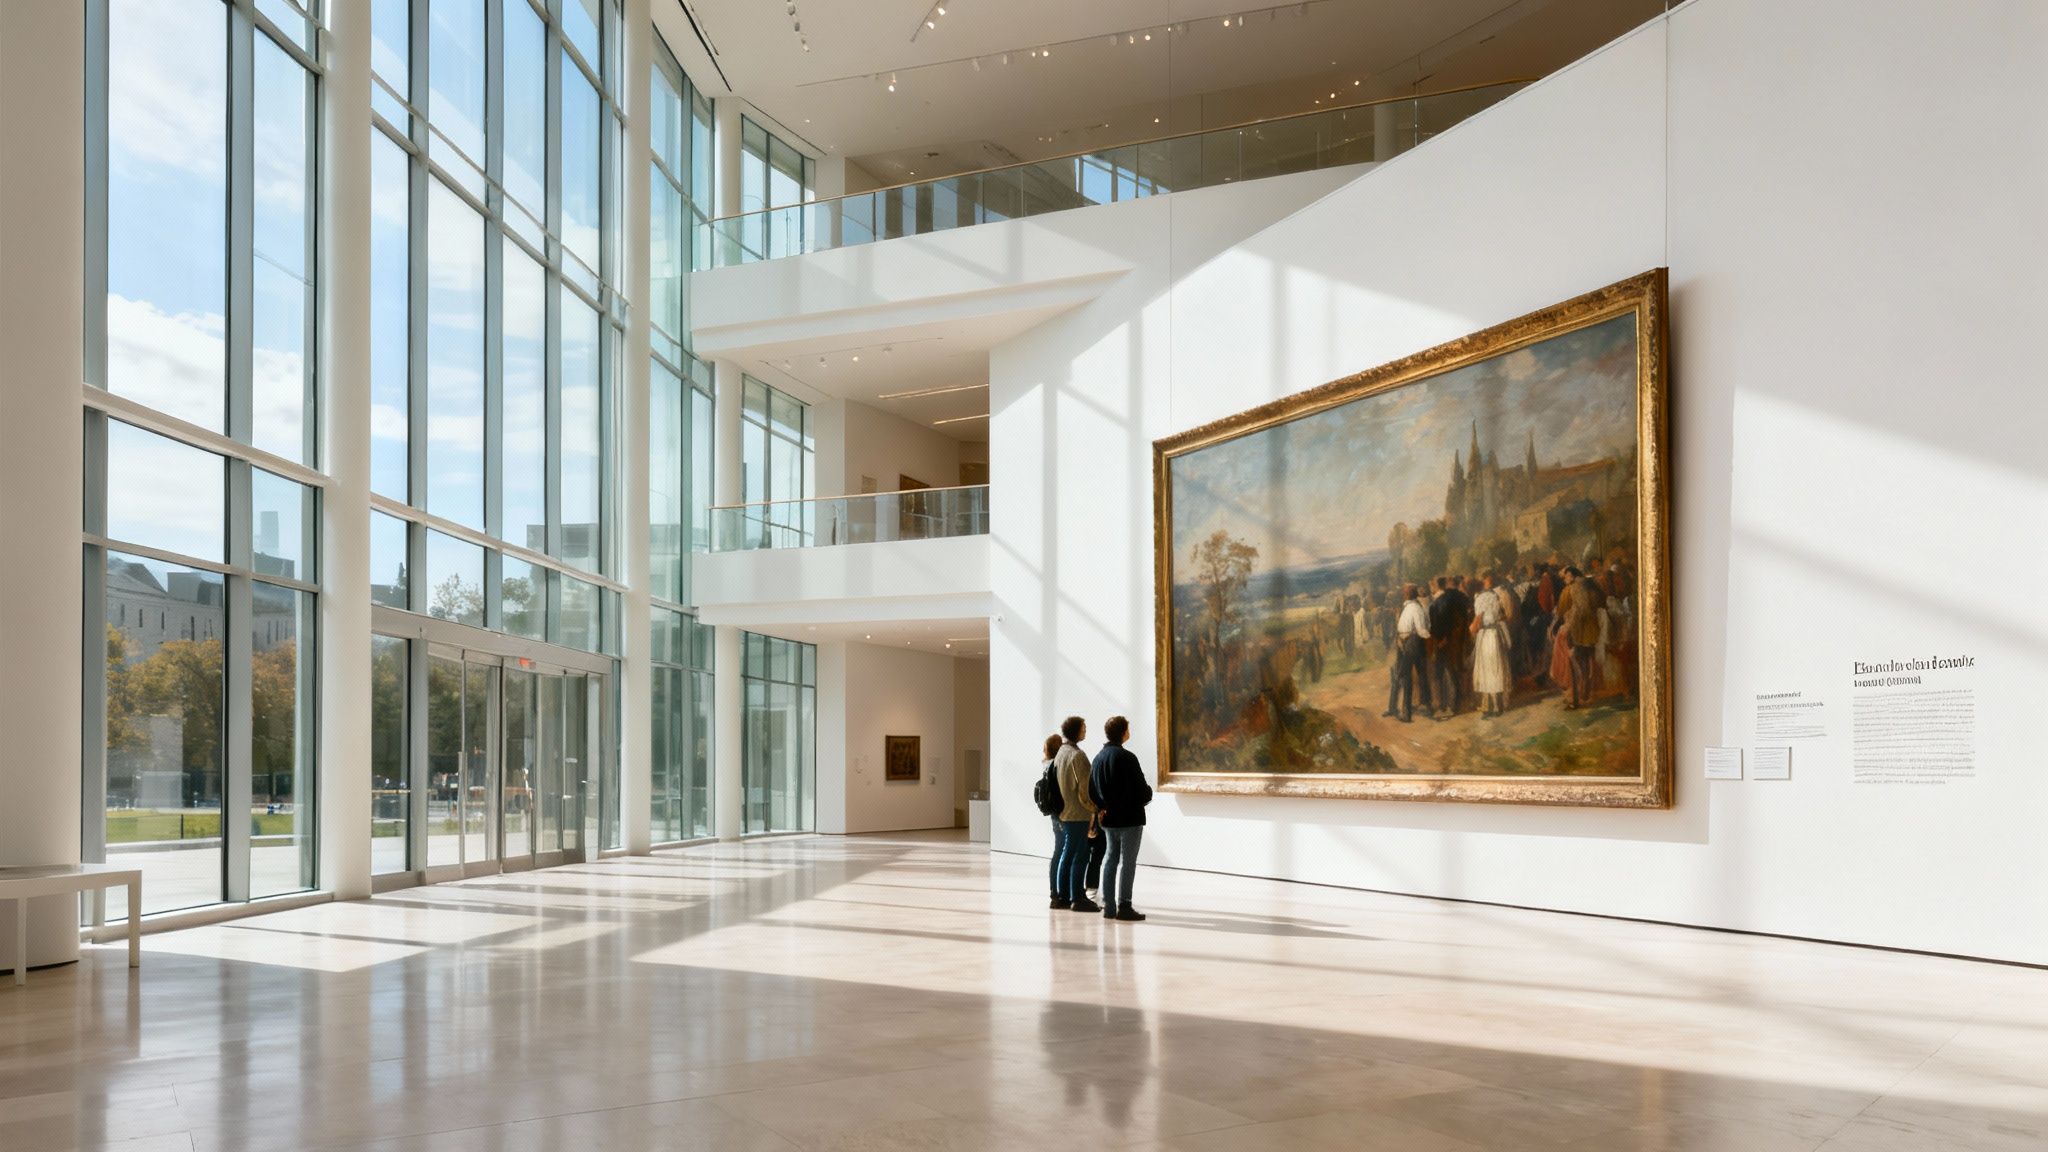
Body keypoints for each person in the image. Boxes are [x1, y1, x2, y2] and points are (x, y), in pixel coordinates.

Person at [1089, 715, 1153, 921]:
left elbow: (1091, 790)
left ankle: (1108, 906)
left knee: (1110, 858)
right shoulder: (1127, 758)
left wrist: (1101, 807)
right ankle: (1124, 906)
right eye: (1128, 728)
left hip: (1108, 819)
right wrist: (1148, 794)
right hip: (1130, 818)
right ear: (1123, 732)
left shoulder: (1098, 758)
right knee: (1128, 862)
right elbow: (1142, 790)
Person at [1051, 716, 1101, 912]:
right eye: (1084, 727)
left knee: (1067, 853)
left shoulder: (1061, 753)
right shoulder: (1077, 756)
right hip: (1076, 814)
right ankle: (1077, 898)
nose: (1086, 730)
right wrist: (1093, 809)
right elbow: (1084, 790)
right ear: (1076, 731)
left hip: (1064, 812)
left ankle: (1063, 895)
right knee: (1079, 855)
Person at [1554, 566, 1607, 709]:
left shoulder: (1577, 587)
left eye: (1566, 576)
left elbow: (1580, 609)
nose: (1565, 579)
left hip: (1581, 630)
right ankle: (1585, 695)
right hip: (1591, 628)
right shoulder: (1589, 584)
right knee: (1586, 663)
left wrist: (1568, 624)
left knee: (1577, 664)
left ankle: (1576, 700)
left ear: (1571, 575)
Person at [1382, 583, 1430, 722]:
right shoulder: (1407, 606)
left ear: (1411, 594)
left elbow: (1421, 629)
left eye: (1406, 592)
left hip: (1413, 643)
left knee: (1403, 675)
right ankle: (1398, 710)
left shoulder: (1416, 608)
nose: (1404, 593)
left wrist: (1428, 638)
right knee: (1404, 676)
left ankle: (1407, 713)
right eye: (1405, 592)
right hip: (1404, 643)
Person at [1470, 573, 1513, 716]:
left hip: (1488, 635)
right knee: (1492, 669)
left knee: (1490, 669)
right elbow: (1502, 615)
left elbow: (1480, 619)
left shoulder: (1483, 597)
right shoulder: (1494, 596)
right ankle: (1494, 705)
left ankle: (1492, 706)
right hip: (1492, 634)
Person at [1041, 733, 1067, 906]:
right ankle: (1063, 892)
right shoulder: (1058, 766)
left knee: (1058, 851)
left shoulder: (1046, 765)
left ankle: (1054, 892)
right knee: (1067, 851)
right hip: (1064, 813)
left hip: (1053, 814)